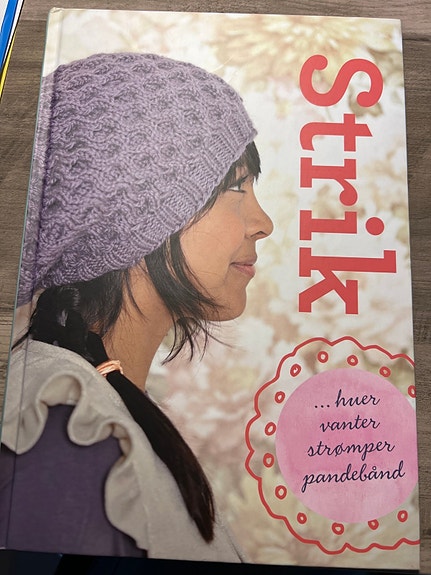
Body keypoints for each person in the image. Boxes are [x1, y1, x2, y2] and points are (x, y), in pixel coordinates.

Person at [0, 52, 273, 562]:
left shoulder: (102, 407)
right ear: (138, 219)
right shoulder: (62, 422)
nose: (263, 223)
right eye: (236, 187)